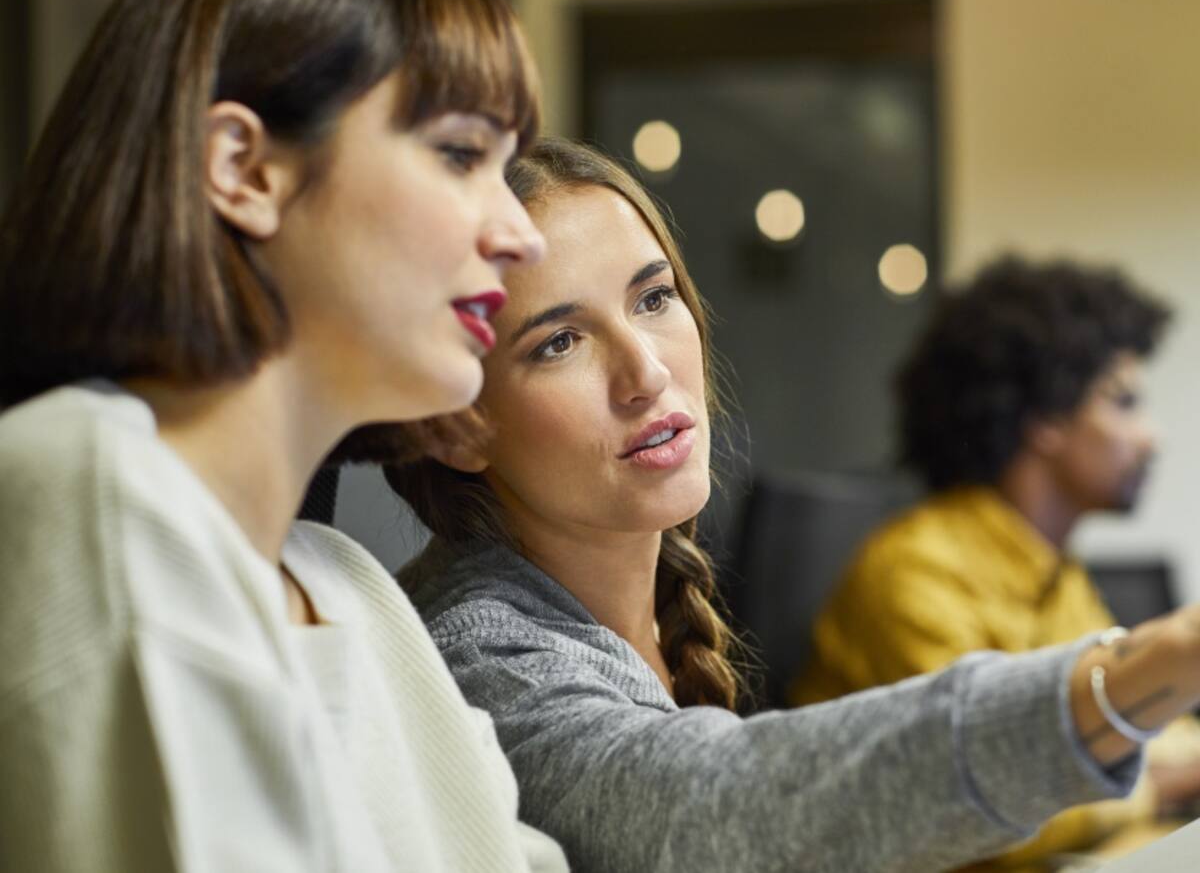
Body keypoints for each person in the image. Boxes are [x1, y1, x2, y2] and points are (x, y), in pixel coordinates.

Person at [385, 137, 1200, 873]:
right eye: (558, 342)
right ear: (456, 427)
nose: (646, 371)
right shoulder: (476, 656)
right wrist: (1153, 666)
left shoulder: (648, 612)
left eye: (653, 298)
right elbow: (716, 809)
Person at [0, 0, 567, 871]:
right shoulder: (87, 486)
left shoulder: (352, 589)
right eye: (461, 154)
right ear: (244, 169)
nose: (519, 233)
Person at [791, 258, 1200, 868]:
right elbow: (987, 798)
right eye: (1123, 402)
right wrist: (1165, 784)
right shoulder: (913, 572)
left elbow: (1133, 725)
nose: (1151, 436)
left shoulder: (1054, 571)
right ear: (1044, 421)